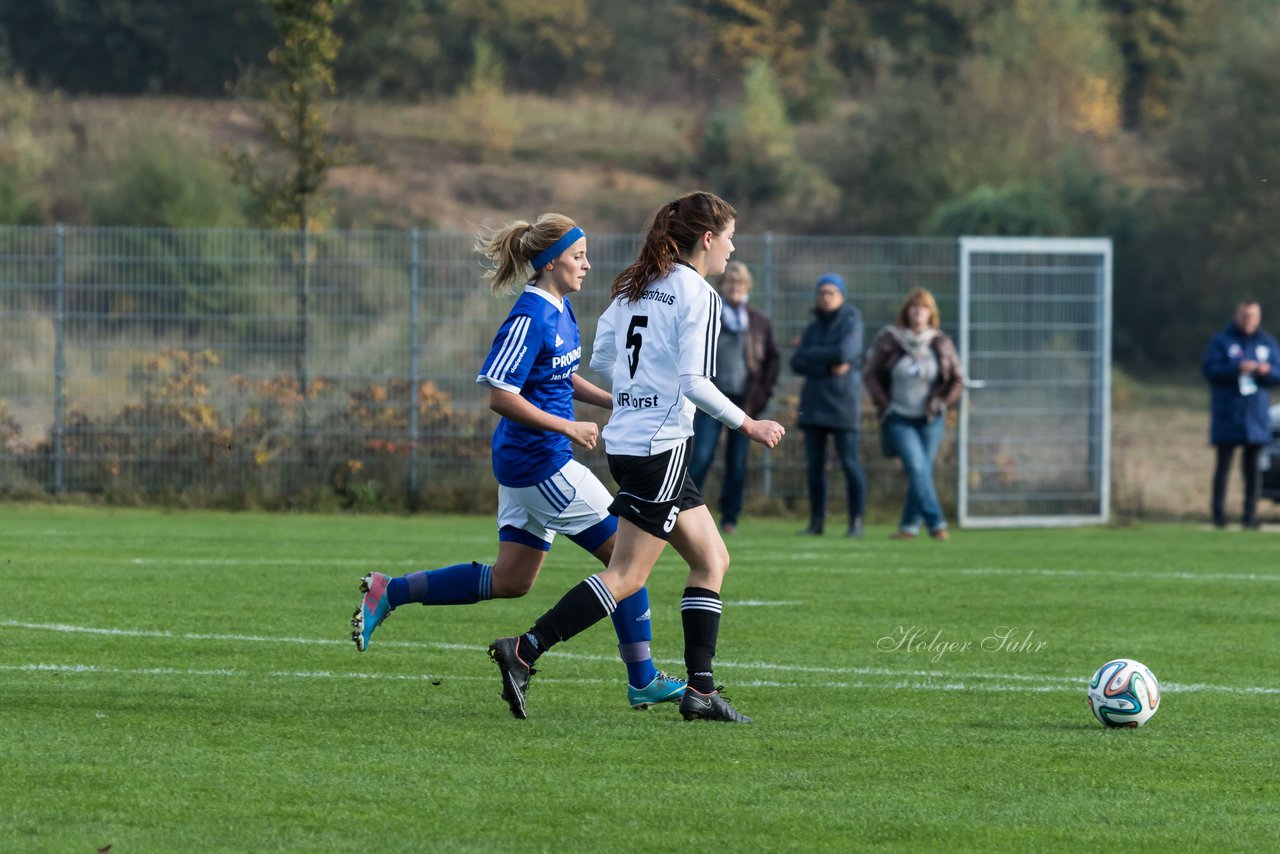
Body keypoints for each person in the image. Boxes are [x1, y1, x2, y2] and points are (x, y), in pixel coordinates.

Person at [351, 213, 686, 711]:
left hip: (529, 464)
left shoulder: (561, 308)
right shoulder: (530, 316)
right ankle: (642, 679)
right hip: (541, 464)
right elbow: (500, 395)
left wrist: (616, 401)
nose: (587, 265)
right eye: (578, 257)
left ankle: (389, 591)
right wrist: (569, 427)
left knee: (512, 580)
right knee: (627, 564)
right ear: (551, 262)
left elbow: (560, 375)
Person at [487, 191, 786, 723]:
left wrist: (637, 389)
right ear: (708, 239)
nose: (733, 249)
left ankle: (701, 689)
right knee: (625, 575)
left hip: (631, 443)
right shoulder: (699, 294)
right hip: (660, 448)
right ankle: (525, 650)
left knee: (711, 559)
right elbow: (694, 382)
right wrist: (749, 423)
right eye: (730, 237)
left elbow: (602, 358)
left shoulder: (634, 285)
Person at [686, 261, 781, 534]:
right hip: (710, 400)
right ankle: (686, 513)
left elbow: (772, 361)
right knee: (701, 456)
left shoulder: (759, 322)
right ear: (722, 286)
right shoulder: (710, 315)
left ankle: (730, 517)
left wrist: (762, 393)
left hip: (745, 401)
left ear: (747, 286)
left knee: (737, 463)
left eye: (740, 283)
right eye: (730, 282)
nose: (735, 287)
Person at [864, 287, 964, 541]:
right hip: (898, 416)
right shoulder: (890, 339)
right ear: (906, 312)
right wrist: (885, 405)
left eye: (923, 307)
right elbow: (871, 374)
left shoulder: (941, 342)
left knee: (922, 471)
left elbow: (957, 379)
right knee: (916, 466)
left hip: (930, 418)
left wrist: (941, 404)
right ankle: (937, 524)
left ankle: (908, 526)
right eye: (913, 306)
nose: (918, 311)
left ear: (931, 313)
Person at [791, 273, 867, 537]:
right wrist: (827, 362)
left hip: (843, 405)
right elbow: (796, 362)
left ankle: (856, 522)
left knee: (849, 463)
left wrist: (811, 354)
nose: (825, 297)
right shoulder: (812, 328)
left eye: (831, 292)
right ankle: (816, 522)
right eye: (822, 292)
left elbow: (846, 352)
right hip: (813, 404)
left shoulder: (852, 321)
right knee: (815, 467)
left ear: (842, 295)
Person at [1201, 300, 1279, 529]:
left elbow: (1278, 372)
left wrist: (1267, 371)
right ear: (1237, 316)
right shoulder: (1222, 341)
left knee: (1253, 469)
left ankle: (1250, 517)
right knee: (1223, 466)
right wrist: (1235, 368)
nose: (1248, 321)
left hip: (1255, 415)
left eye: (1252, 316)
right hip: (1228, 413)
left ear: (1259, 317)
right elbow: (1210, 370)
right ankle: (1219, 517)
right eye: (1244, 316)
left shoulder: (1267, 343)